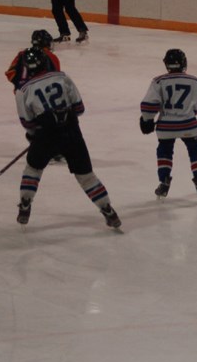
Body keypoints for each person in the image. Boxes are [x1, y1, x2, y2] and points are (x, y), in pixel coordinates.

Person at [14, 47, 121, 229]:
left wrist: (35, 136)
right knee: (86, 175)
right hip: (71, 132)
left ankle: (25, 203)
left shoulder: (23, 90)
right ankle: (107, 209)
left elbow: (28, 122)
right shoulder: (62, 77)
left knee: (33, 169)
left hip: (45, 135)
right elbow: (79, 108)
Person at [139, 49, 197, 203]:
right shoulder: (195, 81)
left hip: (165, 127)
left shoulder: (158, 81)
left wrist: (146, 120)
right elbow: (195, 109)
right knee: (196, 151)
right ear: (184, 63)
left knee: (164, 151)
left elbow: (149, 104)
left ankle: (164, 182)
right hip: (188, 125)